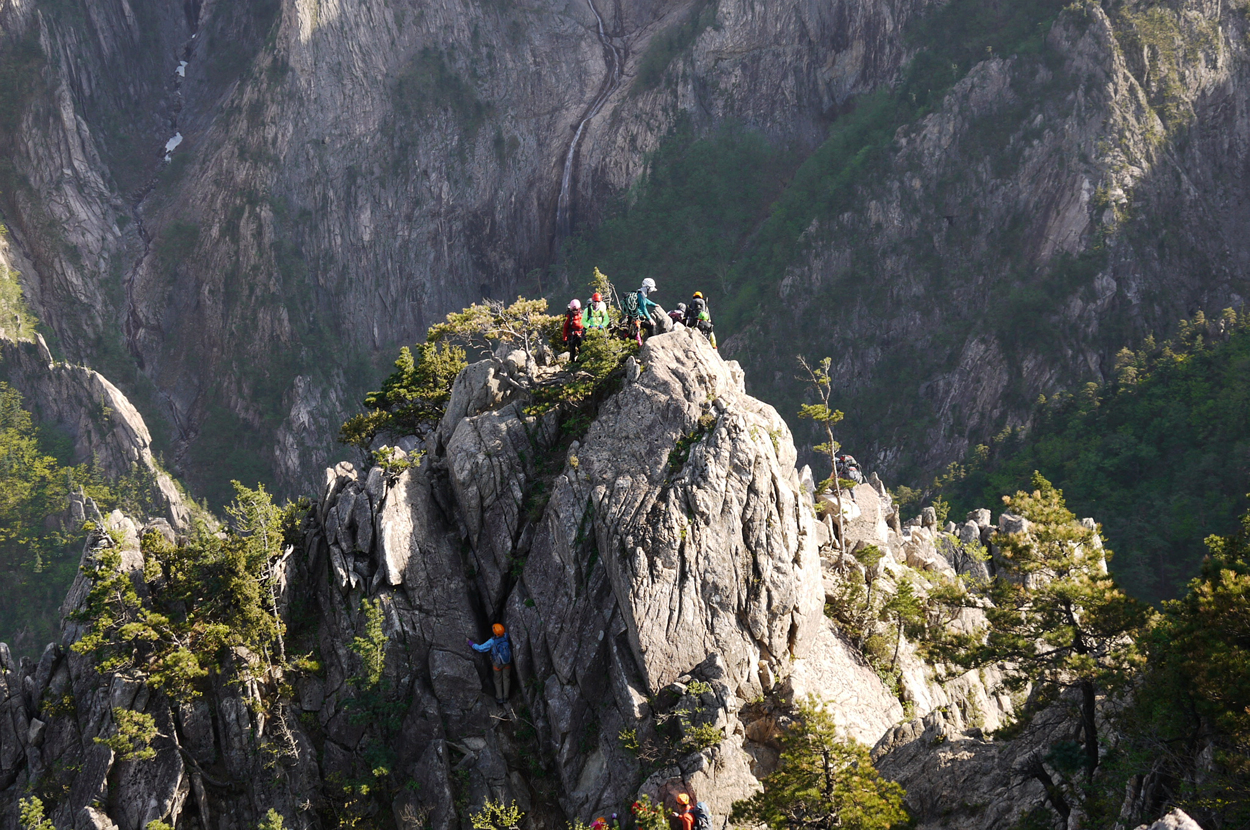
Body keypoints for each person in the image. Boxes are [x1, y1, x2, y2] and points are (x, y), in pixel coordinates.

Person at [468, 623, 513, 704]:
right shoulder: (506, 636)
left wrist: (470, 643)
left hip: (497, 664)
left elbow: (480, 648)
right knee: (506, 679)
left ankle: (500, 698)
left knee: (497, 680)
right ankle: (506, 697)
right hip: (508, 663)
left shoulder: (492, 641)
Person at [624, 278, 659, 346]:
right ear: (648, 287)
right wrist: (650, 319)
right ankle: (653, 344)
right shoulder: (642, 295)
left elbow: (645, 301)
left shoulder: (638, 292)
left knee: (632, 335)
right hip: (638, 317)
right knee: (651, 326)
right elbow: (643, 308)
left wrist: (654, 305)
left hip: (631, 317)